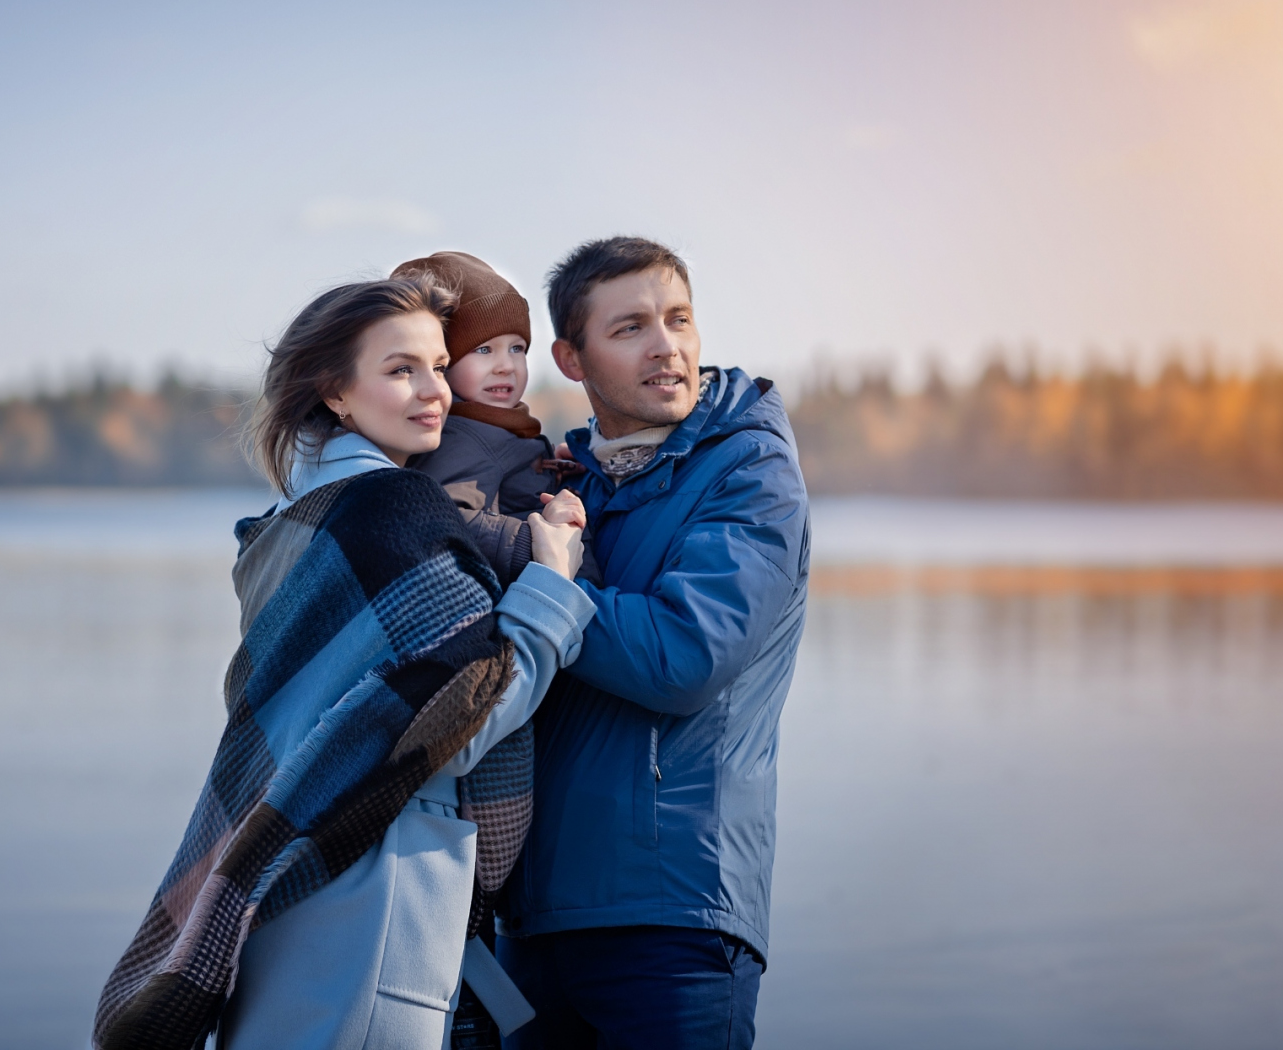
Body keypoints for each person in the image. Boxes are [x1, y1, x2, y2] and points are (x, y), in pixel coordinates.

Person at [92, 275, 593, 1050]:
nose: (434, 392)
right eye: (400, 371)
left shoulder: (287, 526)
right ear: (334, 391)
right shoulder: (392, 510)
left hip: (286, 884)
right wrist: (553, 584)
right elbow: (467, 716)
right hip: (376, 889)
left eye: (438, 365)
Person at [496, 238, 810, 1050]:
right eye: (630, 327)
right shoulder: (569, 482)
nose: (666, 346)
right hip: (531, 920)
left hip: (674, 922)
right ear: (572, 357)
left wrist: (550, 591)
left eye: (678, 319)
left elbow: (683, 654)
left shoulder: (748, 471)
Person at [397, 251, 579, 586]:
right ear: (441, 364)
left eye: (517, 348)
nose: (506, 366)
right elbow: (438, 520)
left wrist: (550, 463)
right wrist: (529, 539)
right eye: (484, 350)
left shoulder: (494, 427)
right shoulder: (459, 436)